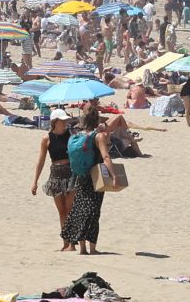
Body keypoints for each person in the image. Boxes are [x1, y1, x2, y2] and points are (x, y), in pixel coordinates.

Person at [60, 107, 122, 255]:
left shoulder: (77, 135)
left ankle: (82, 248)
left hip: (81, 176)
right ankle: (92, 249)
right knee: (93, 212)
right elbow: (106, 156)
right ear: (96, 120)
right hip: (95, 176)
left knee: (81, 210)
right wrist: (114, 176)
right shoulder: (98, 136)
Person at [31, 108, 77, 249]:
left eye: (65, 120)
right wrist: (35, 181)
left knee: (70, 208)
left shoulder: (71, 135)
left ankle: (72, 243)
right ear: (55, 122)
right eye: (62, 121)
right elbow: (41, 161)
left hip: (70, 174)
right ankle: (65, 243)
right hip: (55, 175)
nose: (65, 123)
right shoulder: (47, 138)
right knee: (61, 211)